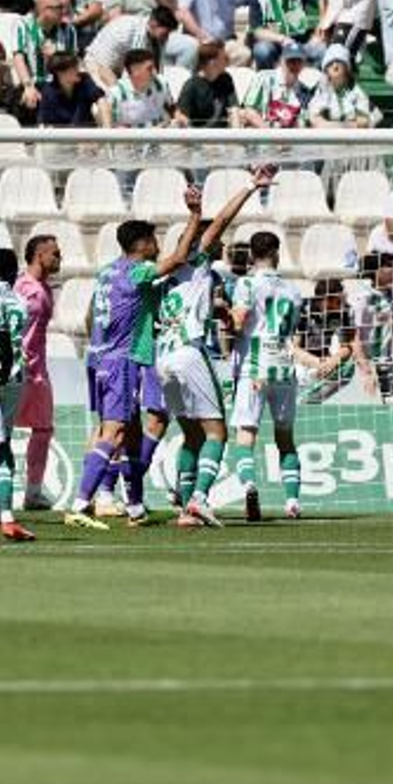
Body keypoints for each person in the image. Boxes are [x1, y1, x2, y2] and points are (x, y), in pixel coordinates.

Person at [64, 188, 204, 530]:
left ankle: (137, 507)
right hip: (121, 359)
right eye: (153, 239)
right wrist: (195, 216)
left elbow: (88, 317)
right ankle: (80, 504)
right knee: (114, 431)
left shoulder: (107, 272)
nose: (157, 245)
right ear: (141, 244)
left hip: (97, 358)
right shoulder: (138, 271)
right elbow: (179, 259)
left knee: (131, 433)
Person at [156, 174, 266, 528]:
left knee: (191, 433)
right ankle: (201, 498)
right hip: (189, 351)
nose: (219, 244)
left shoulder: (163, 276)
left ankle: (186, 507)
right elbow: (222, 220)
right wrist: (251, 187)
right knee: (217, 432)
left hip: (163, 357)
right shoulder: (197, 261)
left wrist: (218, 309)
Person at [226, 227, 326, 523]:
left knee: (246, 435)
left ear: (252, 255)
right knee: (285, 438)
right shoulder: (293, 290)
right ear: (276, 253)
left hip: (254, 366)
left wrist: (224, 315)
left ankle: (249, 485)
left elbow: (240, 322)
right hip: (283, 366)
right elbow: (290, 337)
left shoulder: (246, 284)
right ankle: (293, 502)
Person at [11, 233, 61, 510]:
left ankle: (33, 492)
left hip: (38, 370)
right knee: (1, 431)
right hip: (21, 370)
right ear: (40, 255)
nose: (59, 259)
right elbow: (17, 330)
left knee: (43, 429)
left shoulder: (43, 288)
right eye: (55, 253)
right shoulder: (26, 288)